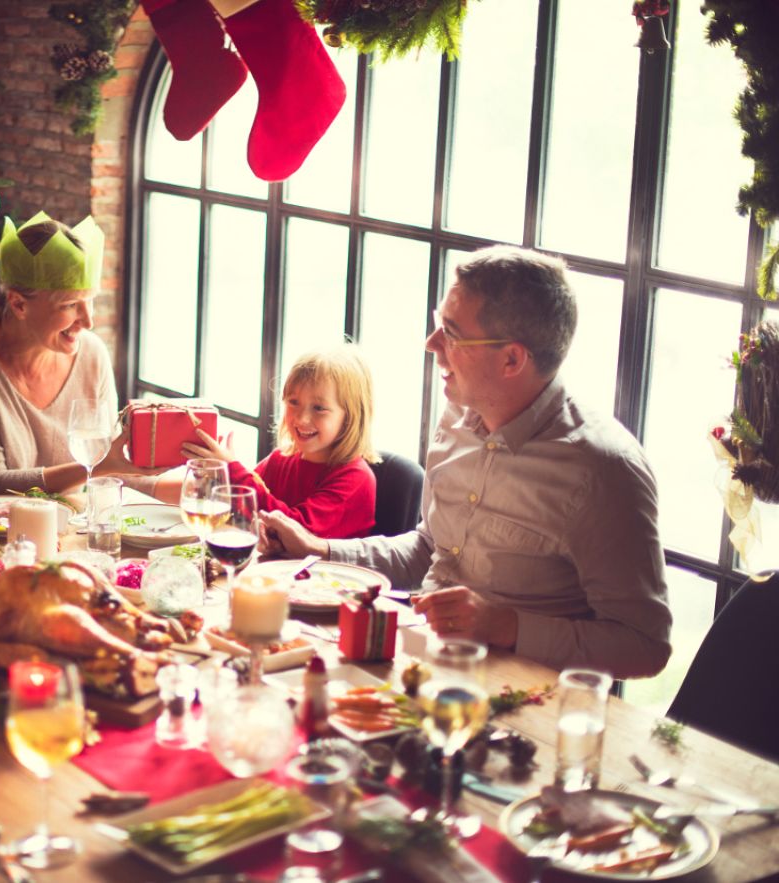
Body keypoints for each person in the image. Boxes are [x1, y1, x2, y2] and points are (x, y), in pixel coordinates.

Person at [262, 246, 672, 680]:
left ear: (512, 359)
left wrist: (510, 627)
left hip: (523, 700)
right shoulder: (457, 418)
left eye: (451, 333)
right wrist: (318, 549)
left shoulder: (604, 470)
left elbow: (645, 646)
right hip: (421, 666)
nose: (431, 344)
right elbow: (429, 550)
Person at [0, 212, 152, 494]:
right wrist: (100, 466)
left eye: (90, 302)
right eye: (71, 304)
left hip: (69, 533)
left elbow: (119, 473)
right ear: (19, 304)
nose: (88, 321)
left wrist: (204, 475)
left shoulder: (92, 353)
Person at [155, 344, 377, 539]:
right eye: (293, 402)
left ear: (351, 416)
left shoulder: (355, 479)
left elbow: (294, 531)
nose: (301, 418)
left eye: (319, 408)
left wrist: (232, 471)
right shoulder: (282, 459)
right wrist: (213, 474)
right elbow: (237, 502)